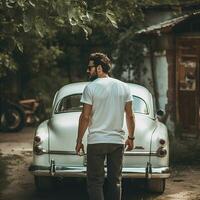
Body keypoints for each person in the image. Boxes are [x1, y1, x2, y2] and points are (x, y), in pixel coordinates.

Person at [75, 52, 135, 200]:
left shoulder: (91, 88)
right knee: (115, 181)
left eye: (90, 67)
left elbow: (85, 117)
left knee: (95, 182)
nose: (88, 71)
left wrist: (78, 141)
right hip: (117, 142)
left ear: (100, 68)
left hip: (96, 141)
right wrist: (131, 138)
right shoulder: (124, 87)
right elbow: (130, 115)